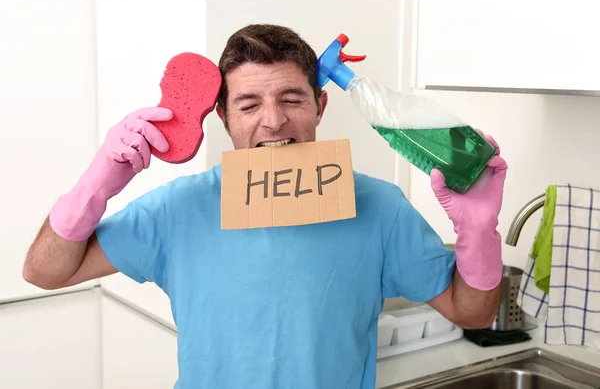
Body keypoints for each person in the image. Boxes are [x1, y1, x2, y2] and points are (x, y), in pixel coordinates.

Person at [23, 24, 508, 389]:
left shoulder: (380, 208)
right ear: (224, 117)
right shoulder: (178, 208)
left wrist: (479, 233)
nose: (273, 122)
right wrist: (96, 183)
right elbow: (44, 273)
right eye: (249, 104)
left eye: (292, 99)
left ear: (320, 106)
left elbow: (473, 314)